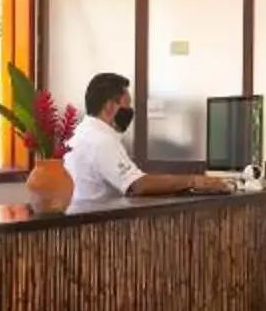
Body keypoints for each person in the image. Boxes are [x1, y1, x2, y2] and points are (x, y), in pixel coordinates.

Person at [65, 72, 234, 209]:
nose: (130, 111)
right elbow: (138, 185)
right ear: (110, 106)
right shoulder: (100, 141)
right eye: (127, 104)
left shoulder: (81, 133)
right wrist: (193, 181)